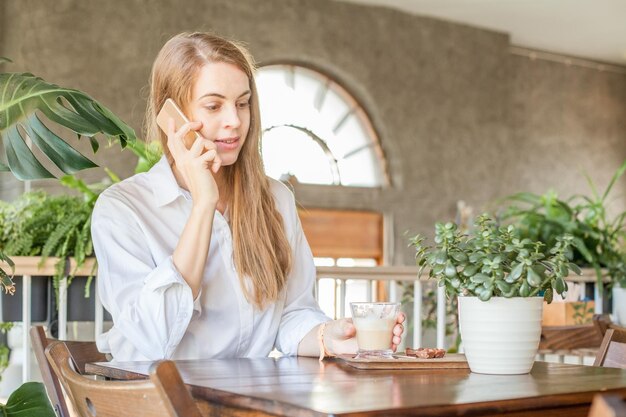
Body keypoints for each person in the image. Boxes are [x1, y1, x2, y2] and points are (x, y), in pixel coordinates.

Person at [91, 31, 405, 361]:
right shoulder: (122, 210)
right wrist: (203, 205)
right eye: (213, 106)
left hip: (243, 403)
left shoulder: (276, 199)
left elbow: (291, 315)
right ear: (171, 117)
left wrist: (331, 338)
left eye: (242, 104)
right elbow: (153, 340)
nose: (234, 122)